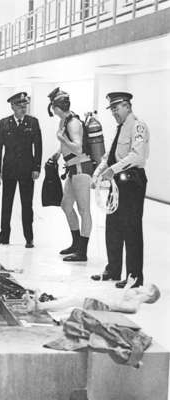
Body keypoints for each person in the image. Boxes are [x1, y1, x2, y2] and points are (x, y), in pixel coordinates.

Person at [91, 92, 149, 288]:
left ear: (127, 106)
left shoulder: (138, 126)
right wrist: (98, 173)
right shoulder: (121, 128)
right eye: (112, 109)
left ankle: (134, 276)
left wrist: (112, 170)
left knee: (131, 230)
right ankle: (113, 269)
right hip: (118, 183)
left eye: (116, 108)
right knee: (113, 227)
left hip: (132, 181)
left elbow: (136, 155)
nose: (114, 112)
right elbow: (110, 155)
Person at [0, 92, 42, 248]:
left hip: (27, 170)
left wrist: (37, 167)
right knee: (6, 204)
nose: (23, 108)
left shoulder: (33, 123)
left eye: (25, 105)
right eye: (19, 106)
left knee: (27, 205)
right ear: (12, 106)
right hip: (9, 169)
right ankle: (4, 235)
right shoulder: (4, 123)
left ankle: (29, 238)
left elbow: (38, 147)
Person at [49, 88, 93, 262]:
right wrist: (58, 153)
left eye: (53, 106)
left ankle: (82, 251)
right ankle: (76, 243)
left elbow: (78, 147)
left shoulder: (73, 122)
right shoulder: (65, 120)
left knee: (84, 210)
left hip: (81, 168)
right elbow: (67, 144)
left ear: (56, 107)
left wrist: (62, 140)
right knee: (66, 205)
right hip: (72, 169)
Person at [25, 275, 160, 315]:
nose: (141, 286)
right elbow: (121, 300)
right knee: (72, 298)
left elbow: (122, 306)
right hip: (101, 301)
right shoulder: (133, 299)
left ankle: (39, 306)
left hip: (101, 305)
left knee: (72, 300)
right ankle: (42, 300)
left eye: (145, 287)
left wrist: (127, 291)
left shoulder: (135, 305)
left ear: (149, 293)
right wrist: (128, 286)